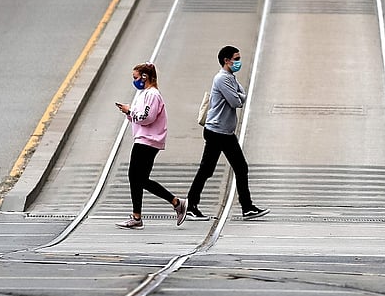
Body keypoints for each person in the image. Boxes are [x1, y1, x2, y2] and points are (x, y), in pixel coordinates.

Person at [186, 46, 270, 221]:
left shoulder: (231, 77)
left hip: (223, 131)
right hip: (218, 132)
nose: (239, 62)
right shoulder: (222, 79)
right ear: (226, 60)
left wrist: (238, 96)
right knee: (233, 168)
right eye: (236, 58)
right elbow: (236, 101)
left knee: (211, 170)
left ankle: (193, 205)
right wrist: (238, 96)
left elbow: (243, 96)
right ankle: (244, 207)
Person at [114, 62, 187, 229]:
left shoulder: (152, 95)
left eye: (136, 77)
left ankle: (139, 216)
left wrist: (129, 111)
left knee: (136, 177)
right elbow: (142, 115)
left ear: (145, 77)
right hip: (145, 139)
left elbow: (148, 117)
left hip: (148, 140)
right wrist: (130, 112)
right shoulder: (144, 93)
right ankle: (175, 203)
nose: (134, 81)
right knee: (139, 179)